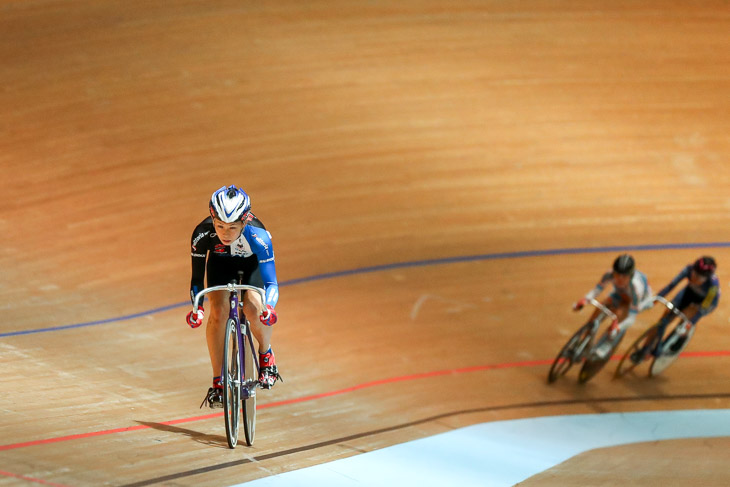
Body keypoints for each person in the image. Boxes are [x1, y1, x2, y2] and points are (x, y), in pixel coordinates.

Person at [186, 185, 282, 408]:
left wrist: (269, 307)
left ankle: (266, 355)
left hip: (251, 267)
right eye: (219, 226)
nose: (224, 233)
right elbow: (196, 280)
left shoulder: (259, 237)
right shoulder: (202, 234)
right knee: (217, 313)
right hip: (220, 265)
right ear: (213, 219)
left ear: (244, 222)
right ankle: (218, 382)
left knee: (253, 307)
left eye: (232, 227)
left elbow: (271, 283)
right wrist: (197, 309)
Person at [631, 256, 720, 363]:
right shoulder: (688, 269)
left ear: (707, 278)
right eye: (695, 274)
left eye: (700, 278)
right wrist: (656, 299)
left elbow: (703, 308)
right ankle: (645, 349)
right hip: (688, 293)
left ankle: (682, 337)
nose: (696, 278)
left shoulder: (713, 287)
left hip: (703, 303)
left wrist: (690, 323)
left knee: (687, 318)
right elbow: (671, 285)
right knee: (664, 318)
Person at [573, 254, 654, 354]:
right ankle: (586, 340)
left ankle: (608, 343)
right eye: (617, 274)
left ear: (630, 275)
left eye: (624, 276)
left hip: (641, 301)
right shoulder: (609, 274)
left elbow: (632, 318)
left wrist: (618, 327)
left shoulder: (636, 287)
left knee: (618, 315)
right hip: (620, 293)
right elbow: (597, 290)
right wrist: (585, 300)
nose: (619, 278)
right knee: (599, 308)